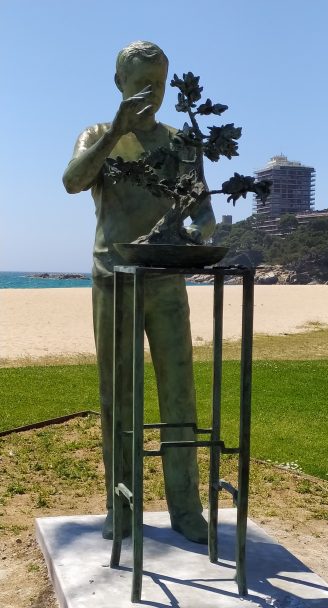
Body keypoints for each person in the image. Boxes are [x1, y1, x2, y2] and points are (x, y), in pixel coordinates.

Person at [62, 41, 215, 543]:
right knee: (119, 398)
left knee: (180, 394)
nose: (151, 92)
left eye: (160, 82)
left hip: (167, 280)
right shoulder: (98, 134)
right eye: (141, 82)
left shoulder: (181, 143)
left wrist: (200, 236)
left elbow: (203, 214)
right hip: (114, 278)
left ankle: (186, 508)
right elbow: (72, 180)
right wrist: (115, 131)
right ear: (119, 85)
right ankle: (120, 505)